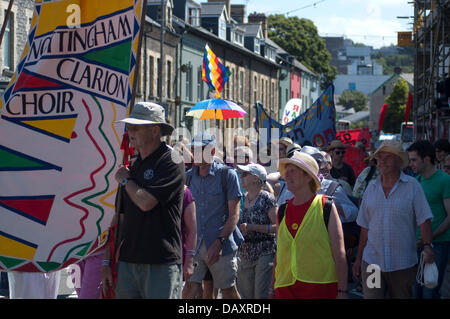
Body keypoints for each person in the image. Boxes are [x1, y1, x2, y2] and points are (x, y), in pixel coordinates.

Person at [101, 102, 185, 299]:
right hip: (128, 261)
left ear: (155, 130)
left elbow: (146, 202)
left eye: (136, 127)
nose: (130, 131)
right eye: (129, 126)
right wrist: (106, 262)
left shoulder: (171, 160)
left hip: (160, 262)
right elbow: (119, 219)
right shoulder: (133, 165)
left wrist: (126, 180)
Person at [353, 140, 434, 299]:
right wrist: (358, 258)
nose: (382, 161)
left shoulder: (412, 186)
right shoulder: (371, 188)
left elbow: (424, 220)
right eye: (379, 158)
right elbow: (364, 227)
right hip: (372, 264)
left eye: (388, 157)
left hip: (402, 264)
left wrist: (428, 246)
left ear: (399, 161)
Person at [270, 151, 348, 299]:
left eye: (293, 170)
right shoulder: (282, 210)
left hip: (320, 289)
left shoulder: (326, 207)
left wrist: (343, 292)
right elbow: (279, 254)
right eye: (287, 171)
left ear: (308, 176)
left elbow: (339, 254)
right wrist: (271, 289)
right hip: (285, 290)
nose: (287, 175)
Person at [183, 132, 243, 299]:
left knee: (228, 291)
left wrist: (220, 241)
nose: (194, 154)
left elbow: (234, 215)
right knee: (190, 287)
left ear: (212, 150)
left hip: (221, 244)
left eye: (199, 149)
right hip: (195, 244)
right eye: (192, 149)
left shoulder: (227, 175)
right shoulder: (188, 177)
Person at [407, 140, 450, 299]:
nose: (411, 164)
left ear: (426, 159)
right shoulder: (417, 181)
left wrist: (429, 238)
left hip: (437, 244)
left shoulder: (444, 180)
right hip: (418, 244)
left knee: (429, 291)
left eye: (414, 160)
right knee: (416, 291)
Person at [236, 163, 277, 299]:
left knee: (261, 296)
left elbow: (278, 227)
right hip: (244, 252)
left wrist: (252, 227)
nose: (241, 177)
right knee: (245, 297)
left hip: (264, 251)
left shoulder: (267, 198)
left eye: (245, 174)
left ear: (255, 178)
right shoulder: (240, 198)